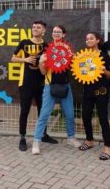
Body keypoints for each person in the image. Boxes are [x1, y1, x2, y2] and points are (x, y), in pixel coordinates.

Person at [32, 25, 81, 155]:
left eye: (59, 32)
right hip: (49, 86)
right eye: (54, 32)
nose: (56, 34)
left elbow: (76, 68)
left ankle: (71, 138)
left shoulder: (69, 51)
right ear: (52, 34)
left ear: (63, 34)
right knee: (44, 114)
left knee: (70, 114)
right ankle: (36, 141)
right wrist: (42, 63)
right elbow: (43, 73)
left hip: (65, 86)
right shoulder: (47, 51)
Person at [11, 20, 58, 151]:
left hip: (42, 83)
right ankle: (22, 138)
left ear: (44, 31)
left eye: (38, 27)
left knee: (43, 111)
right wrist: (24, 59)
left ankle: (44, 134)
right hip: (25, 83)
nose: (35, 29)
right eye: (33, 27)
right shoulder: (24, 43)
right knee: (24, 111)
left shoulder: (47, 46)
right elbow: (13, 58)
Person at [78, 32, 110, 160]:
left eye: (91, 38)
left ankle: (108, 147)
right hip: (87, 90)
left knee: (103, 118)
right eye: (87, 38)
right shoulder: (83, 56)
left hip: (102, 91)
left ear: (98, 40)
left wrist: (103, 70)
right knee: (86, 115)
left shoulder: (104, 55)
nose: (88, 40)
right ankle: (89, 140)